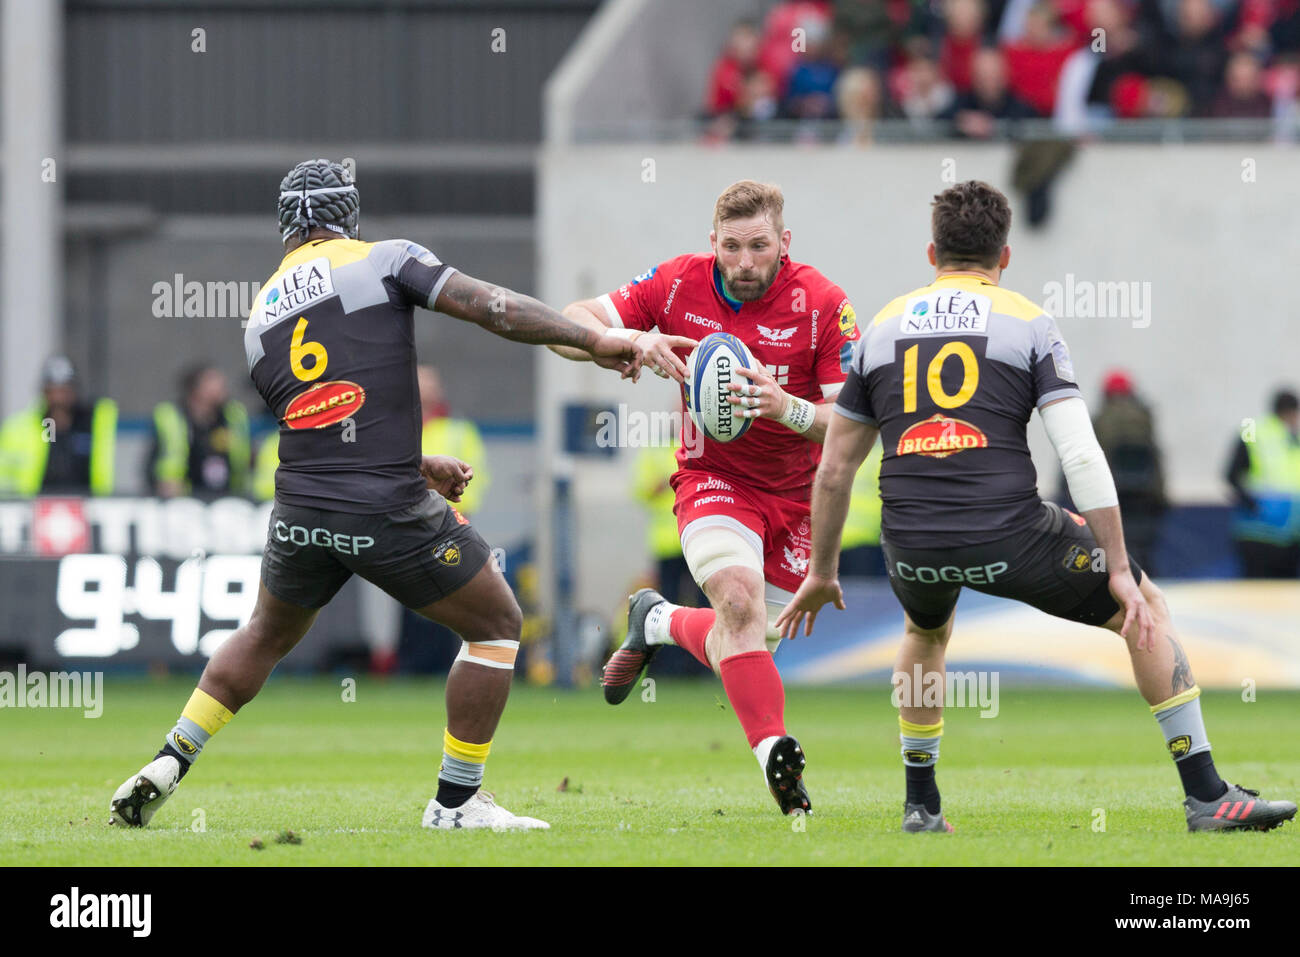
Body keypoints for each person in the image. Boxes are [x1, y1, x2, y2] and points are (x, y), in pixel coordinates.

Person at [108, 158, 642, 832]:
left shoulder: (257, 318)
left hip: (301, 506)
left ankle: (172, 755)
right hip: (380, 503)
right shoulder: (384, 259)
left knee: (265, 633)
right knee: (497, 624)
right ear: (347, 214)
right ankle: (456, 802)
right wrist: (592, 338)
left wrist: (416, 463)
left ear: (286, 225)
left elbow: (323, 423)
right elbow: (493, 307)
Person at [778, 180, 1295, 833]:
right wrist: (1115, 564)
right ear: (1006, 255)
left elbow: (834, 470)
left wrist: (821, 571)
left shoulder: (883, 327)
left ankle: (920, 804)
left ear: (932, 250)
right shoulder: (1027, 321)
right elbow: (1079, 454)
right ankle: (1206, 793)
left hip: (912, 540)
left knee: (924, 632)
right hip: (1011, 533)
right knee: (1146, 604)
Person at [548, 180, 862, 816]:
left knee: (746, 640)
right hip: (713, 482)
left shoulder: (823, 304)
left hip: (798, 501)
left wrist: (787, 407)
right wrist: (631, 342)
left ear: (785, 242)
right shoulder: (674, 285)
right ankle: (777, 760)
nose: (745, 262)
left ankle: (656, 620)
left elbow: (856, 422)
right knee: (739, 606)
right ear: (711, 242)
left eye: (760, 246)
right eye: (732, 247)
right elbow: (564, 326)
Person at [0, 355, 116, 498]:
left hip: (84, 508)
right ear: (44, 393)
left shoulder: (91, 424)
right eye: (53, 391)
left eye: (64, 391)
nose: (59, 399)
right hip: (36, 509)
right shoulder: (25, 428)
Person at [1087, 369, 1166, 575]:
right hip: (1144, 498)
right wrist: (1161, 497)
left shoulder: (1098, 420)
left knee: (1112, 551)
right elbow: (1156, 459)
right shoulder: (1145, 418)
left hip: (1109, 497)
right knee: (1143, 551)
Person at [1225, 389, 1300, 578]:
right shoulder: (1253, 430)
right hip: (1258, 531)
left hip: (1289, 534)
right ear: (1290, 412)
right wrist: (1252, 504)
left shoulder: (1292, 438)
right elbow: (1232, 474)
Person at [148, 364, 251, 500]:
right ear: (196, 389)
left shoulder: (234, 415)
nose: (221, 388)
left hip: (228, 496)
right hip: (184, 499)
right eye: (212, 382)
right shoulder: (173, 417)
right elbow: (158, 461)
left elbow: (244, 456)